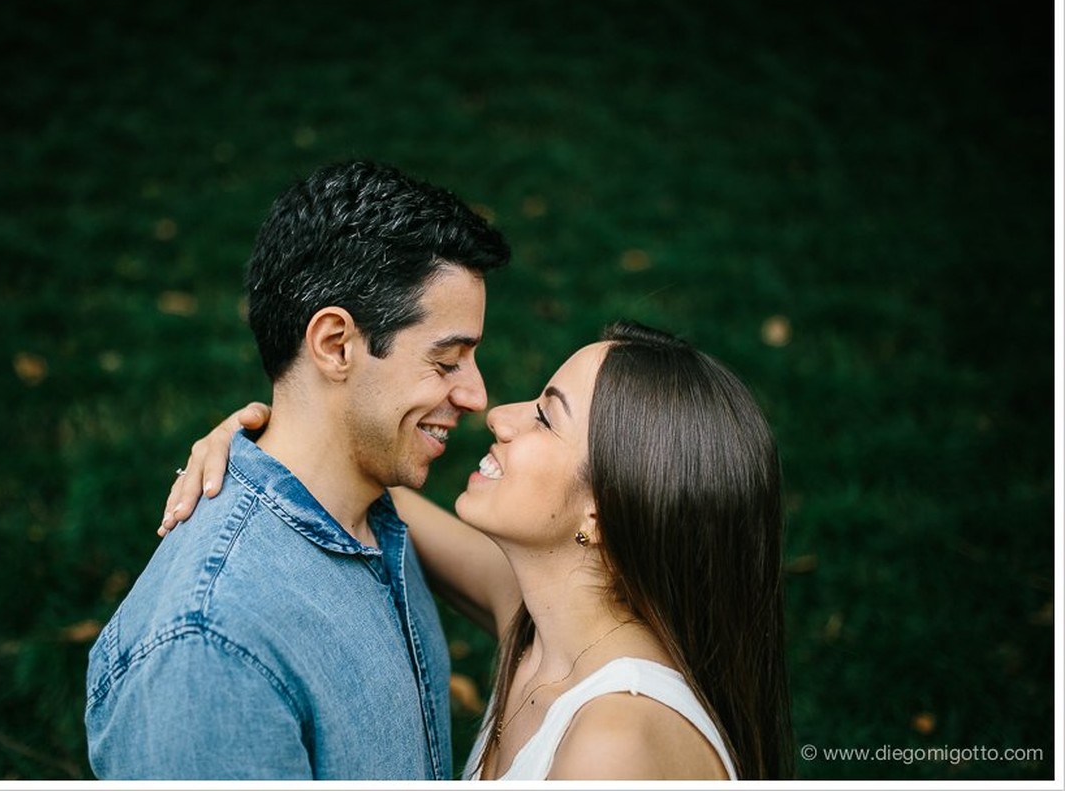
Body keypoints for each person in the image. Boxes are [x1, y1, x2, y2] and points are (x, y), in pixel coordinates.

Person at [166, 321, 794, 779]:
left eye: (547, 418)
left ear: (602, 511)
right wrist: (266, 442)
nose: (500, 415)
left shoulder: (615, 744)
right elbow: (343, 478)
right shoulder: (544, 625)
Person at [85, 160, 512, 779]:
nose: (476, 396)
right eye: (447, 361)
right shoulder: (211, 649)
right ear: (336, 344)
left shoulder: (368, 513)